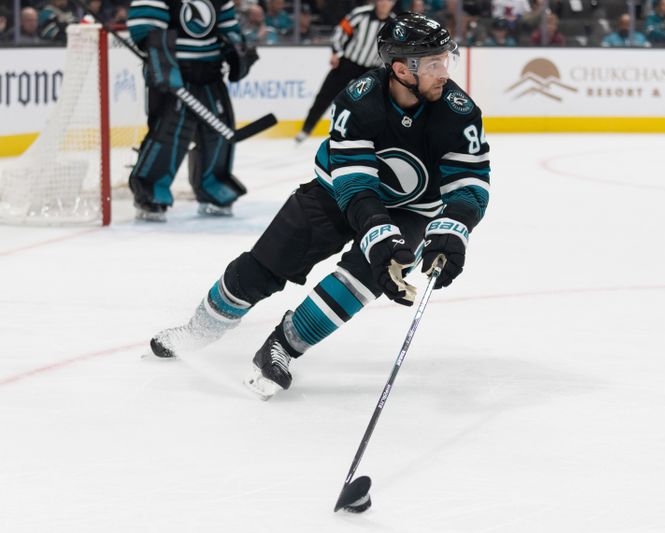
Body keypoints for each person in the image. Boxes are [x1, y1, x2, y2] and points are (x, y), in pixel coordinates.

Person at [148, 12, 491, 401]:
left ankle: (283, 346)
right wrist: (378, 232)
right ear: (401, 69)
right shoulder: (358, 101)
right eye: (433, 63)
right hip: (335, 196)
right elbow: (355, 185)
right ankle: (198, 331)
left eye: (446, 60)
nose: (444, 71)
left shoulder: (458, 111)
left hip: (412, 211)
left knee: (364, 278)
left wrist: (453, 229)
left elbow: (469, 183)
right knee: (264, 266)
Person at [126, 0, 258, 221]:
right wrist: (164, 66)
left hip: (211, 73)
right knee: (168, 134)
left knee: (217, 134)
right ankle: (151, 193)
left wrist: (236, 50)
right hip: (174, 74)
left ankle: (214, 188)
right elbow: (146, 31)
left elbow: (229, 29)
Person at [295, 0, 396, 144]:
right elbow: (340, 31)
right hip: (349, 63)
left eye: (388, 1)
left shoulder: (393, 24)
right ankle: (306, 129)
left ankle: (370, 136)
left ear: (393, 3)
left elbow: (392, 49)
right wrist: (336, 52)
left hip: (371, 69)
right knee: (325, 95)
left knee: (372, 104)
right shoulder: (361, 14)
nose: (384, 3)